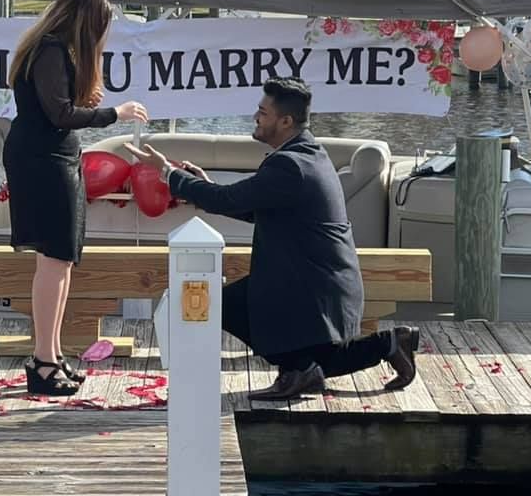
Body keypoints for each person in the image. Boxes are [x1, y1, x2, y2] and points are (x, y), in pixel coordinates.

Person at [124, 77, 419, 400]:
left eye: (262, 112)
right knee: (284, 342)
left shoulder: (289, 165)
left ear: (285, 121)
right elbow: (256, 208)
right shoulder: (306, 153)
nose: (256, 117)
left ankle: (317, 365)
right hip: (313, 282)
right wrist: (204, 185)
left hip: (309, 289)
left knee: (300, 350)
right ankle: (383, 345)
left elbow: (228, 201)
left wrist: (167, 173)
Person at [4, 0, 148, 396]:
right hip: (42, 159)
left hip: (54, 156)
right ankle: (44, 361)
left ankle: (49, 355)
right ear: (86, 23)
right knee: (54, 259)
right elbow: (60, 114)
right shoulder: (50, 49)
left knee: (61, 260)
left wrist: (89, 97)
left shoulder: (52, 50)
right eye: (102, 27)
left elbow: (61, 106)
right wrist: (113, 113)